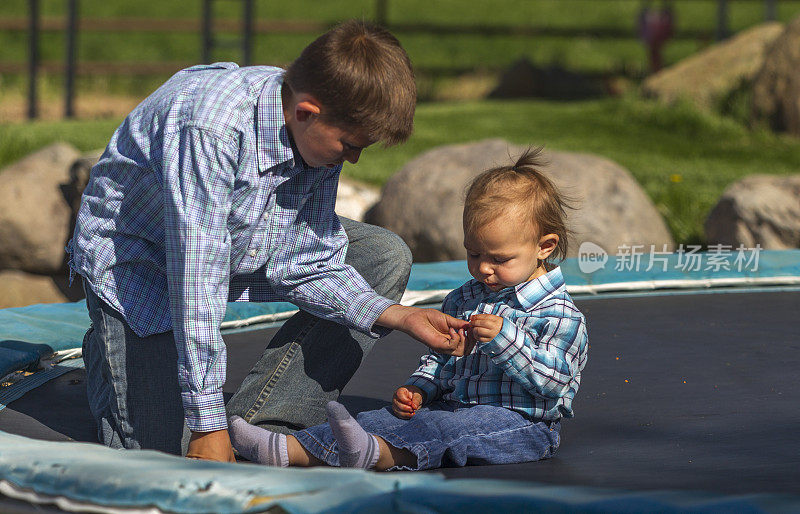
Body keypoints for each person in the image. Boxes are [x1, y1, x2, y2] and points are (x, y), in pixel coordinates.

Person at [69, 20, 470, 463]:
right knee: (161, 456)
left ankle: (258, 423)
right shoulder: (210, 130)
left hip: (246, 236)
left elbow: (308, 260)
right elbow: (196, 280)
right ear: (306, 112)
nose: (354, 158)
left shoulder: (318, 132)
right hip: (143, 267)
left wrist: (397, 315)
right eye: (351, 145)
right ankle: (112, 355)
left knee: (382, 255)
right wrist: (205, 422)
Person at [228, 147, 589, 470]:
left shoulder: (558, 313)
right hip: (451, 407)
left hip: (522, 424)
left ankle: (375, 455)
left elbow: (554, 383)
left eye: (499, 258)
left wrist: (505, 339)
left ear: (545, 246)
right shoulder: (465, 298)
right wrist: (419, 389)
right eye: (473, 253)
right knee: (379, 420)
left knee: (441, 430)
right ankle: (285, 449)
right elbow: (440, 362)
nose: (483, 268)